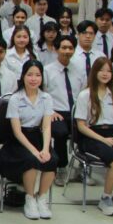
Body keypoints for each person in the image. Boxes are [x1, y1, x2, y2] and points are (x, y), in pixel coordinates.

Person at [74, 57, 113, 217]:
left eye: (109, 71)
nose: (105, 74)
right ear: (94, 72)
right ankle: (106, 198)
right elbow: (81, 126)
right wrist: (103, 140)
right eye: (101, 70)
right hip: (92, 136)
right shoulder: (85, 95)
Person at [0, 60, 57, 220]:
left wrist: (45, 149)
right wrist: (34, 151)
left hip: (38, 136)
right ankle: (30, 198)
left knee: (52, 160)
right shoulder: (16, 99)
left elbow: (46, 127)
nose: (33, 79)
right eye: (30, 75)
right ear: (23, 76)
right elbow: (17, 131)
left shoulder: (46, 98)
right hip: (19, 140)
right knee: (31, 160)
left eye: (37, 75)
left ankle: (41, 198)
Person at [45, 35, 80, 187]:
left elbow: (84, 93)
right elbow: (43, 95)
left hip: (76, 112)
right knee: (60, 133)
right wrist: (50, 111)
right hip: (56, 112)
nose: (67, 51)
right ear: (56, 49)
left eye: (70, 48)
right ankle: (61, 167)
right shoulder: (47, 70)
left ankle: (81, 167)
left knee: (87, 131)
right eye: (63, 47)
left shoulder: (79, 70)